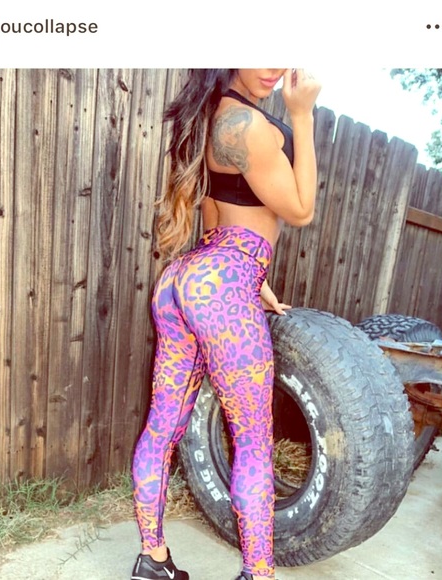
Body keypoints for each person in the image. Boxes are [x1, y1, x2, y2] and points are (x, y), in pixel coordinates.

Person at [131, 69, 321, 580]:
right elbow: (300, 209)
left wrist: (254, 279)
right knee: (253, 442)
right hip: (221, 285)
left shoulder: (209, 116)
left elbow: (220, 218)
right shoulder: (248, 124)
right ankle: (258, 574)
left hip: (185, 278)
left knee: (161, 428)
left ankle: (153, 561)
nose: (274, 67)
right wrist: (302, 114)